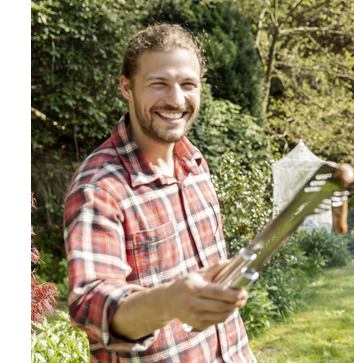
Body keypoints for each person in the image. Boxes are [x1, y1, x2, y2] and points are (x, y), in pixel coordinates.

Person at [63, 23, 256, 362]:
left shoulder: (195, 163)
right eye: (159, 84)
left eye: (188, 84)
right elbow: (91, 302)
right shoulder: (99, 187)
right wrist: (170, 301)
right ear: (127, 87)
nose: (176, 99)